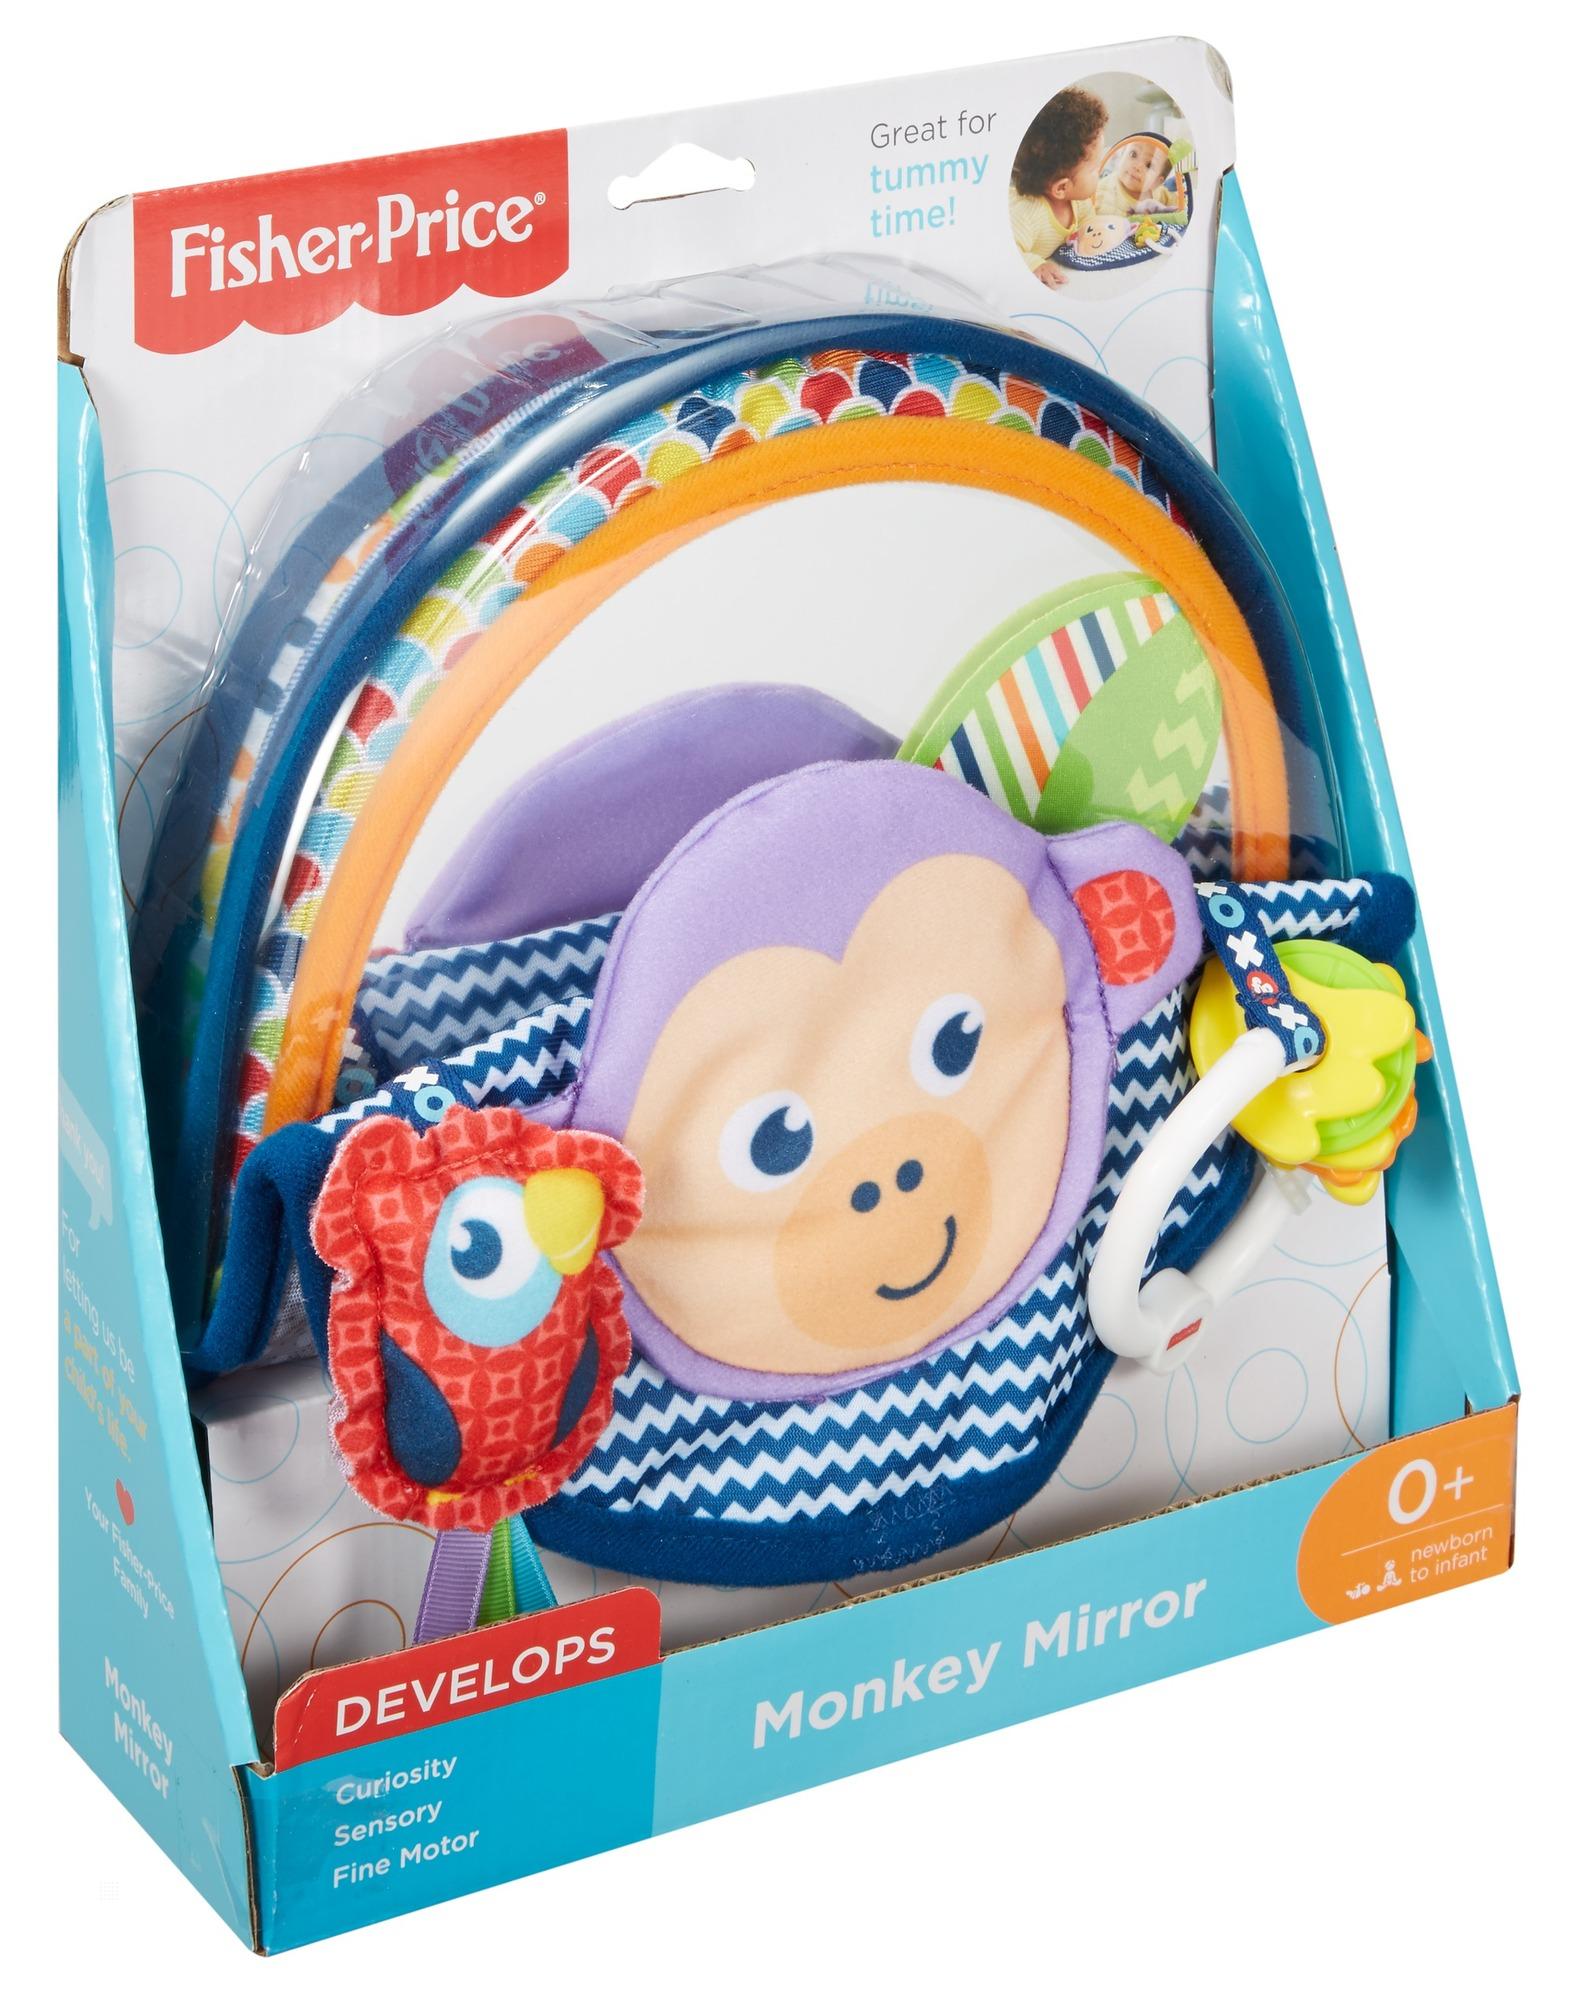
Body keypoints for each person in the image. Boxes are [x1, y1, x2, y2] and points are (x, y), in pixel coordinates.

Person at [1009, 87, 1108, 288]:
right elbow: (1004, 249)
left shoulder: (1079, 202)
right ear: (1062, 188)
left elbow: (1089, 223)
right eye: (1094, 169)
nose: (1101, 170)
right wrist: (1034, 263)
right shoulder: (1026, 216)